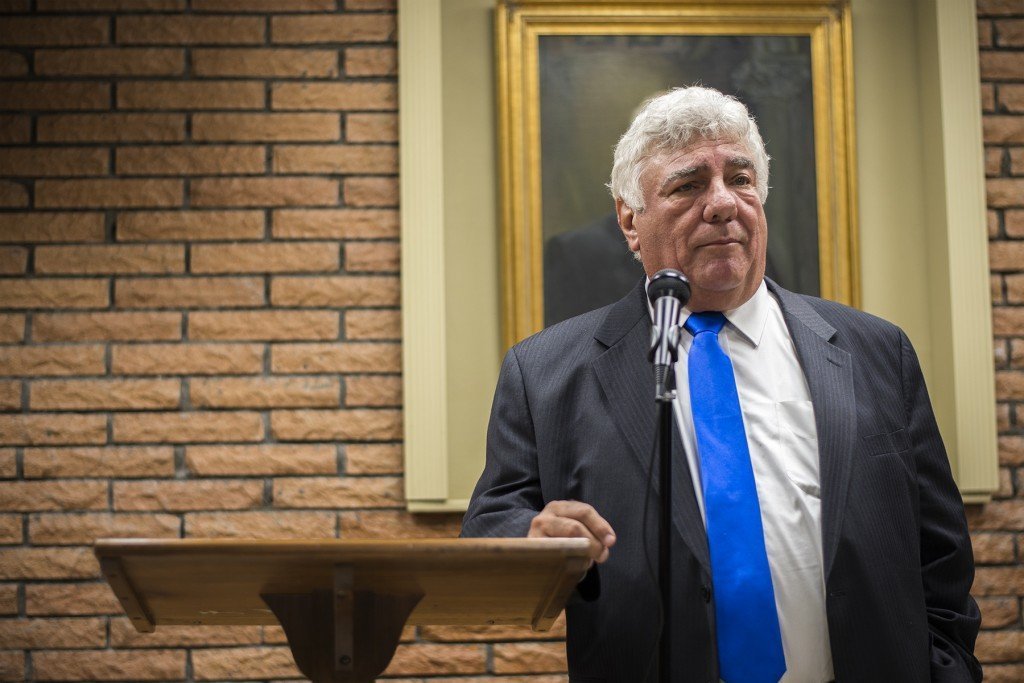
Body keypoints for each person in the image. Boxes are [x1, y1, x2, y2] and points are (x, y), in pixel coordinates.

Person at [461, 87, 981, 682]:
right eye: (687, 186)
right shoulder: (547, 372)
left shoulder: (875, 350)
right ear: (630, 221)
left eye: (740, 179)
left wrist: (947, 669)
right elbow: (490, 526)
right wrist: (534, 537)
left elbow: (942, 556)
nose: (722, 204)